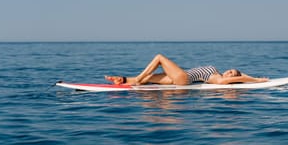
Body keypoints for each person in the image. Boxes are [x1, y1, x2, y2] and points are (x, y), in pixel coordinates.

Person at [105, 54, 268, 86]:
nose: (228, 73)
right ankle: (124, 80)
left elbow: (238, 79)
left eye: (232, 74)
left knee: (159, 57)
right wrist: (249, 76)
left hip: (183, 78)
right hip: (180, 78)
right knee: (150, 78)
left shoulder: (220, 80)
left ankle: (138, 80)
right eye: (230, 70)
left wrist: (256, 80)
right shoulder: (218, 74)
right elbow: (240, 77)